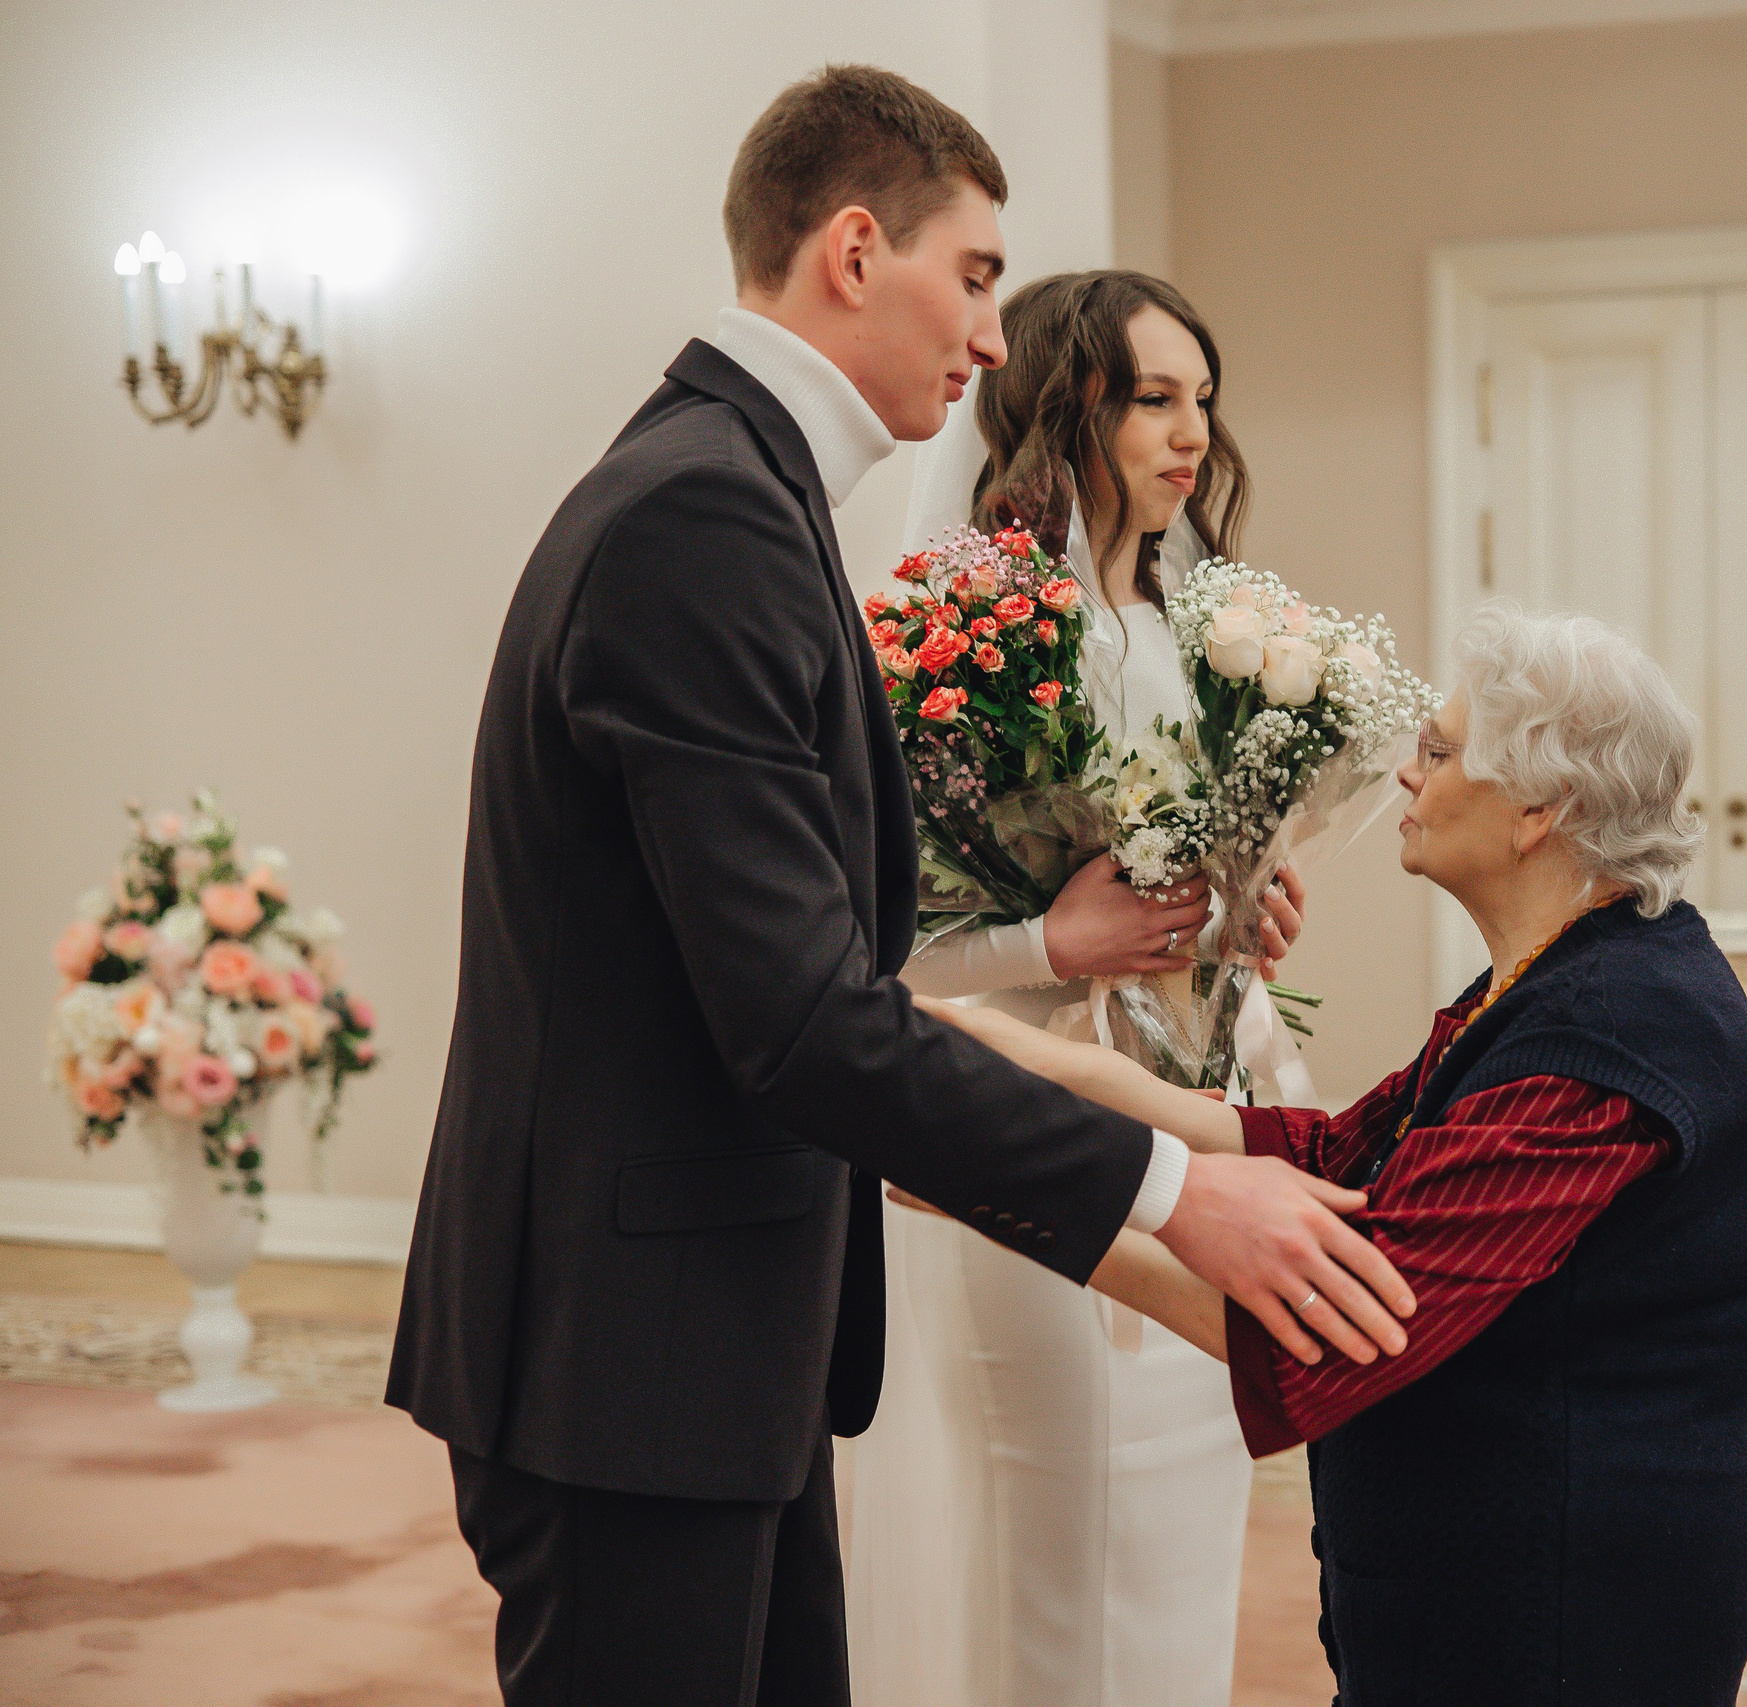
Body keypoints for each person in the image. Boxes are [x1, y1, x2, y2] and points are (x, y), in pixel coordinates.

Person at [384, 65, 1413, 1707]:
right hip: (630, 1347)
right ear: (856, 251)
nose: (997, 339)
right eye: (979, 276)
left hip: (716, 1330)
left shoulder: (741, 492)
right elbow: (804, 1015)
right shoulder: (699, 521)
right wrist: (1172, 1191)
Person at [925, 602, 1747, 1706]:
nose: (1405, 778)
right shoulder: (1561, 978)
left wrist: (998, 1178)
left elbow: (1335, 1331)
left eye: (1437, 753)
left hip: (1566, 1622)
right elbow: (1333, 1154)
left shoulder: (1611, 1043)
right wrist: (972, 1048)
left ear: (1542, 808)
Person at [841, 271, 1288, 1705]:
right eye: (1154, 398)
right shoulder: (966, 644)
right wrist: (1055, 943)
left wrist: (1245, 905)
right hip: (1030, 1129)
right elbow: (865, 965)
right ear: (1060, 409)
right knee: (1061, 1528)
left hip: (1210, 1100)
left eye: (1201, 400)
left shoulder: (1189, 627)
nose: (1190, 436)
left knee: (1183, 1514)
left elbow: (1179, 894)